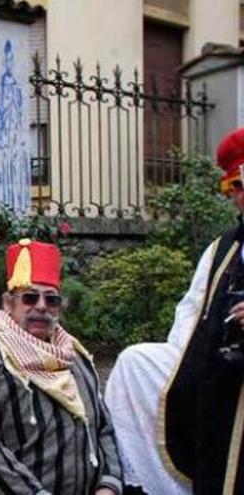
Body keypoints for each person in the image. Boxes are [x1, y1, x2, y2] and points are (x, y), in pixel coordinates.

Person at [0, 239, 123, 495]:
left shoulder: (74, 356)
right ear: (8, 303)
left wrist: (109, 485)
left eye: (52, 299)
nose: (41, 306)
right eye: (30, 297)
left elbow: (104, 427)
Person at [156, 127, 244, 494]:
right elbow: (191, 316)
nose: (240, 195)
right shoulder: (221, 249)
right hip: (222, 398)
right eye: (233, 187)